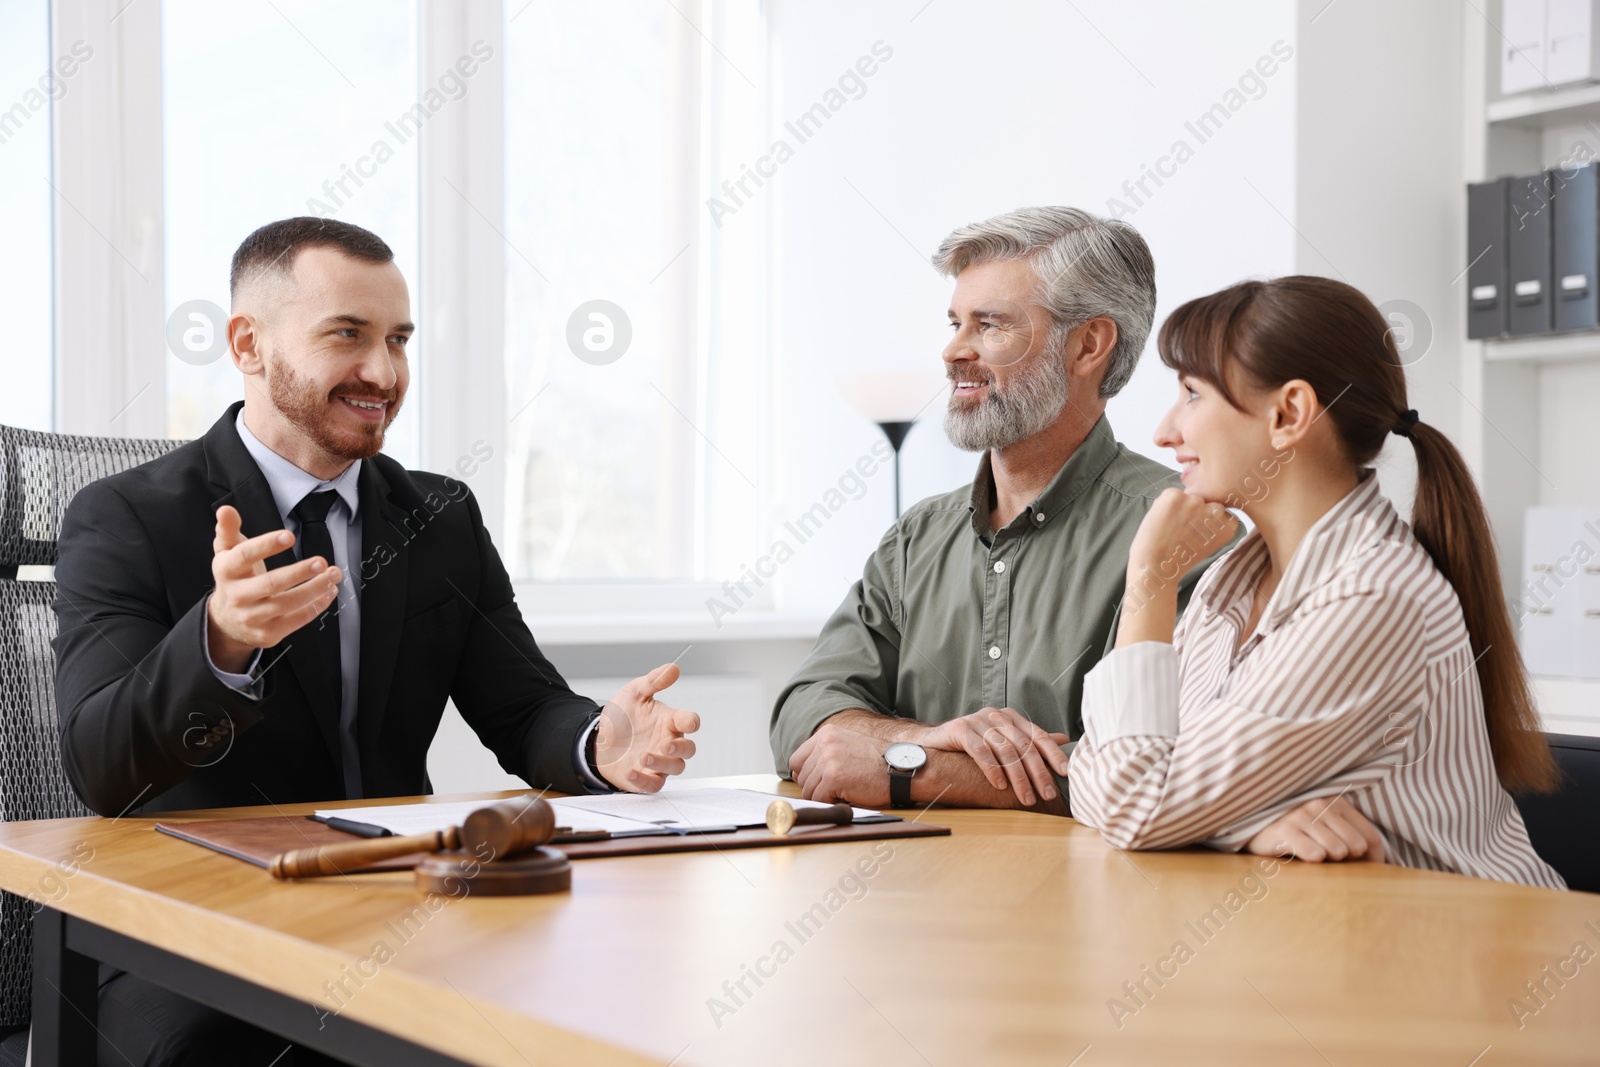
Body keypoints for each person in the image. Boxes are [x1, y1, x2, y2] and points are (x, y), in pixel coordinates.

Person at [53, 217, 701, 1065]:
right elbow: (101, 767)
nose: (384, 372)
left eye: (398, 339)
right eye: (347, 336)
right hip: (197, 935)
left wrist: (597, 742)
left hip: (406, 910)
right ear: (248, 343)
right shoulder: (128, 515)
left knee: (610, 1007)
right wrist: (219, 641)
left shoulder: (439, 515)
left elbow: (524, 704)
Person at [1067, 275, 1562, 888]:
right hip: (1345, 935)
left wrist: (1149, 579)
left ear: (1289, 414)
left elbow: (1131, 804)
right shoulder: (1234, 579)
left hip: (1466, 952)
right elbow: (1097, 773)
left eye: (1192, 394)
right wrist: (1245, 824)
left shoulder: (1375, 598)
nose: (1165, 431)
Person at [772, 206, 1232, 813]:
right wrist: (916, 741)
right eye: (955, 322)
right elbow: (803, 715)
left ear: (1088, 345)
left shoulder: (1188, 532)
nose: (952, 351)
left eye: (988, 326)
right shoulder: (916, 539)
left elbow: (1180, 770)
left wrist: (922, 773)